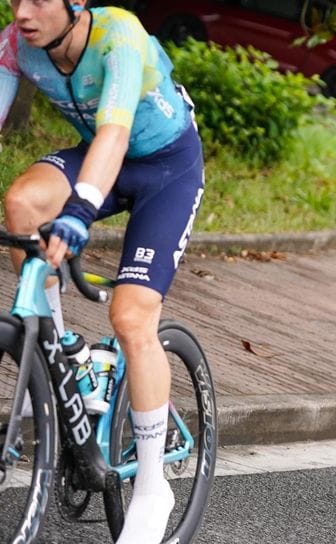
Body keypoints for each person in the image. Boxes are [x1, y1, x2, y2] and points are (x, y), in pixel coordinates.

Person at [0, 2, 204, 543]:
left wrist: (80, 213)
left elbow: (115, 134)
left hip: (166, 169)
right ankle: (57, 346)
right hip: (99, 158)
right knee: (22, 203)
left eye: (39, 0)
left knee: (131, 315)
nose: (22, 12)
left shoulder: (119, 36)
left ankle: (154, 484)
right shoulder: (15, 44)